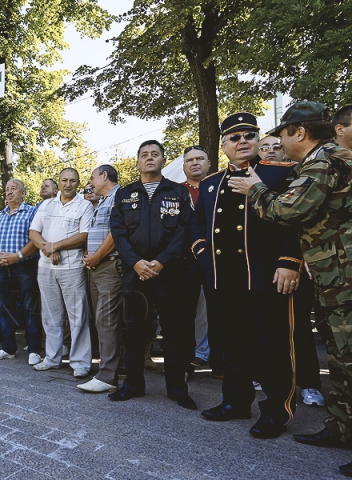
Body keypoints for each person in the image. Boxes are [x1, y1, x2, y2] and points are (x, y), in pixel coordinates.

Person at [228, 101, 352, 474]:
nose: (277, 140)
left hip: (344, 277)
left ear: (299, 132)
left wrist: (255, 188)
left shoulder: (325, 160)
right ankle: (341, 428)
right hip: (334, 278)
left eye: (282, 132)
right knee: (342, 359)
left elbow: (288, 211)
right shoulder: (321, 159)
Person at [192, 113, 301, 439]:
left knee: (272, 347)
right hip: (224, 280)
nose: (242, 142)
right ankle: (236, 401)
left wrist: (289, 260)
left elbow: (297, 219)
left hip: (266, 278)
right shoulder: (210, 183)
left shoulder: (280, 174)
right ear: (224, 145)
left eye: (248, 136)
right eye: (234, 137)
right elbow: (197, 223)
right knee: (232, 344)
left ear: (257, 140)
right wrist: (201, 254)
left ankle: (276, 410)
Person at [109, 140, 197, 410]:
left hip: (170, 274)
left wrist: (160, 262)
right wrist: (136, 263)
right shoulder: (124, 194)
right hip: (136, 275)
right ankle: (133, 384)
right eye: (144, 155)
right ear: (137, 161)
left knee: (174, 332)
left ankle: (177, 388)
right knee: (134, 330)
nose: (149, 158)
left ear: (162, 160)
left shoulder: (177, 193)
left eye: (155, 154)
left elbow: (183, 231)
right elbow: (118, 232)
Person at [258, 135, 325, 407]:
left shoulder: (301, 175)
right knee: (268, 329)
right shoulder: (254, 180)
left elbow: (301, 221)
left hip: (296, 266)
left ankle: (309, 383)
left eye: (277, 147)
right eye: (265, 148)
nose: (272, 152)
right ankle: (274, 380)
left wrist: (291, 261)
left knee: (298, 330)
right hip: (264, 269)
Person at [29, 168, 93, 377]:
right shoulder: (47, 205)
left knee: (78, 316)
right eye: (64, 180)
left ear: (77, 183)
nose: (68, 184)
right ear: (59, 182)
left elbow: (84, 236)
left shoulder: (84, 206)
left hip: (72, 268)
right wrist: (48, 248)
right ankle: (52, 358)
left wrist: (55, 246)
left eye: (72, 181)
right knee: (50, 316)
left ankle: (80, 363)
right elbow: (33, 232)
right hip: (46, 267)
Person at [0, 179, 42, 364]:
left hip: (25, 267)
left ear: (23, 193)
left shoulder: (32, 212)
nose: (9, 192)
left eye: (14, 189)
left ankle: (34, 349)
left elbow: (36, 240)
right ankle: (8, 348)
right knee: (5, 310)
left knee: (29, 308)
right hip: (3, 269)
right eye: (7, 189)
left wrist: (17, 256)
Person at [78, 165, 122, 392]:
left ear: (105, 176)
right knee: (103, 321)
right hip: (97, 266)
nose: (90, 182)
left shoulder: (118, 197)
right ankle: (111, 369)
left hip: (108, 266)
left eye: (92, 177)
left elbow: (116, 233)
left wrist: (96, 256)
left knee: (107, 321)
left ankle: (107, 377)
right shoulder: (103, 200)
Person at [179, 146, 218, 375]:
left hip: (216, 259)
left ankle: (219, 357)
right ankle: (195, 354)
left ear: (209, 162)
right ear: (184, 166)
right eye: (190, 160)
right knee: (191, 311)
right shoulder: (177, 191)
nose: (195, 163)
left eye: (200, 159)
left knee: (216, 309)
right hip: (185, 261)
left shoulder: (220, 186)